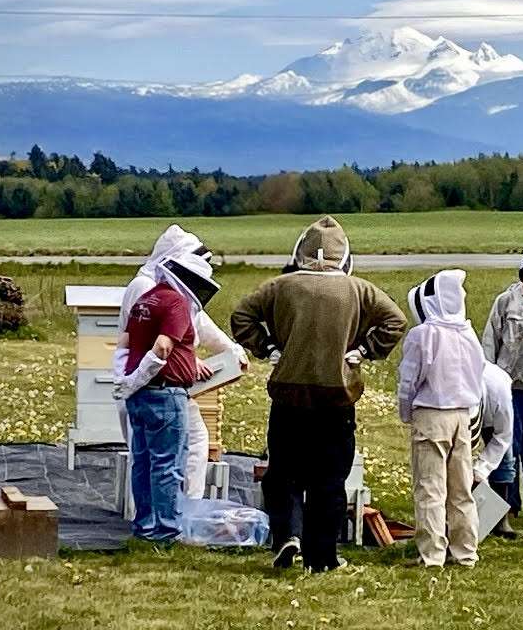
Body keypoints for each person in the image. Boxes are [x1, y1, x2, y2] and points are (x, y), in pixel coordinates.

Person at [231, 216, 406, 572]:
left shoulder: (279, 286)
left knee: (283, 473)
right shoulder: (360, 290)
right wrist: (364, 351)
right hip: (336, 398)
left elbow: (241, 316)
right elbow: (395, 321)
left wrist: (267, 349)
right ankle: (322, 556)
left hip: (288, 395)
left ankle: (287, 537)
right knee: (329, 479)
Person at [117, 224, 248, 499]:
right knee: (161, 455)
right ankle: (173, 517)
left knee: (175, 450)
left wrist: (232, 349)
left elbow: (197, 322)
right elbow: (152, 338)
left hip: (155, 384)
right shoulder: (147, 287)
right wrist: (189, 359)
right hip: (154, 385)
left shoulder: (171, 291)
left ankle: (161, 517)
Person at [113, 251, 221, 543]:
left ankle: (144, 525)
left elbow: (124, 342)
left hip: (140, 397)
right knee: (167, 465)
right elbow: (162, 348)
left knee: (143, 461)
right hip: (165, 395)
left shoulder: (145, 299)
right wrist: (140, 377)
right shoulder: (176, 302)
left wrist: (126, 380)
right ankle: (165, 531)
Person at [398, 269, 485, 568]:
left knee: (431, 489)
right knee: (461, 491)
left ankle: (432, 555)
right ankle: (465, 552)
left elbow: (409, 380)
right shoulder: (468, 333)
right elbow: (478, 375)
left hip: (432, 415)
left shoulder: (424, 335)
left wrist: (406, 411)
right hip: (463, 416)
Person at [481, 246, 523, 535]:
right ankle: (509, 504)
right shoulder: (506, 302)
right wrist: (488, 382)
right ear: (522, 277)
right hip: (509, 388)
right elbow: (489, 341)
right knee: (508, 447)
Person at [471, 362, 514, 489]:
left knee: (504, 460)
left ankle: (503, 503)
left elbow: (504, 436)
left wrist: (482, 469)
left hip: (496, 411)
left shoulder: (500, 396)